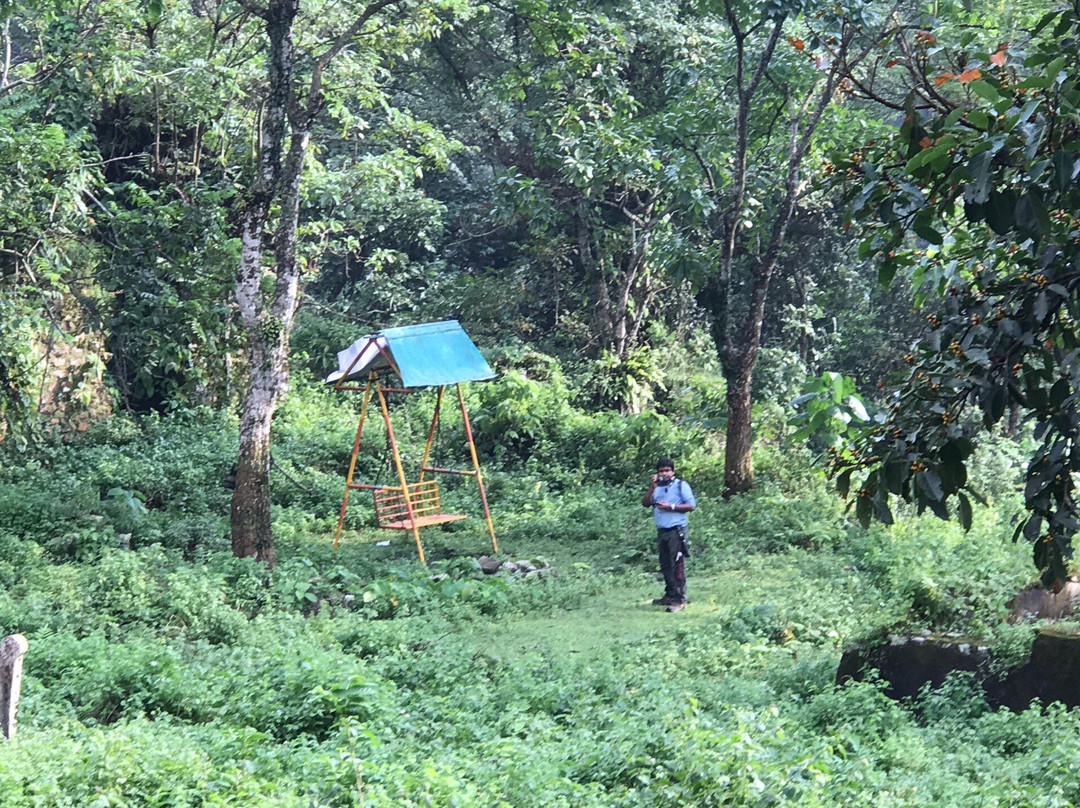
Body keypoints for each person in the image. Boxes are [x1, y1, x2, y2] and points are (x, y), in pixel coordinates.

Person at [642, 457, 696, 612]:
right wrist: (652, 488)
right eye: (661, 471)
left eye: (667, 470)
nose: (664, 474)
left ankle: (680, 600)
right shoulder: (656, 487)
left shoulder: (681, 485)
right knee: (665, 564)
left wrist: (671, 506)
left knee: (677, 565)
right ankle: (670, 594)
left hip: (676, 530)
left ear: (672, 471)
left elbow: (691, 505)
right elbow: (645, 503)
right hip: (662, 530)